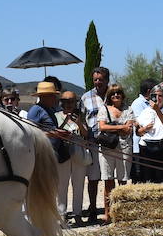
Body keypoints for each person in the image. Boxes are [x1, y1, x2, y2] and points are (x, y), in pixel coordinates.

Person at [55, 91, 92, 224]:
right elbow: (55, 132)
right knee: (62, 186)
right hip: (63, 153)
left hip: (78, 152)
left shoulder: (81, 116)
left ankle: (77, 214)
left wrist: (79, 122)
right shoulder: (56, 116)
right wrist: (66, 121)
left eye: (71, 101)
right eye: (66, 101)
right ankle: (62, 214)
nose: (69, 104)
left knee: (78, 185)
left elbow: (86, 134)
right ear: (62, 103)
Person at [81, 67, 110, 221]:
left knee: (109, 178)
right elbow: (82, 119)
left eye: (101, 79)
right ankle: (92, 209)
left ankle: (109, 210)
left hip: (111, 143)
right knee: (93, 178)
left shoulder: (114, 95)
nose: (98, 82)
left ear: (107, 80)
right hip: (92, 142)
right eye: (96, 80)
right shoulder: (85, 97)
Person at [133, 84, 163, 184]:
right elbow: (138, 132)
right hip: (146, 147)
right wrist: (144, 128)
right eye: (154, 95)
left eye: (160, 95)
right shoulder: (145, 111)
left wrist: (157, 110)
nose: (157, 98)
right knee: (148, 180)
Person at [97, 84, 134, 196]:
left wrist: (113, 127)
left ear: (122, 95)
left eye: (118, 93)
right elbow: (102, 127)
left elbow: (128, 130)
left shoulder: (129, 109)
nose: (116, 95)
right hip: (107, 148)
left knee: (123, 180)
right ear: (109, 96)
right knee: (108, 180)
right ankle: (108, 212)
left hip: (124, 147)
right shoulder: (104, 109)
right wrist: (121, 127)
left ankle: (120, 210)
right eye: (113, 93)